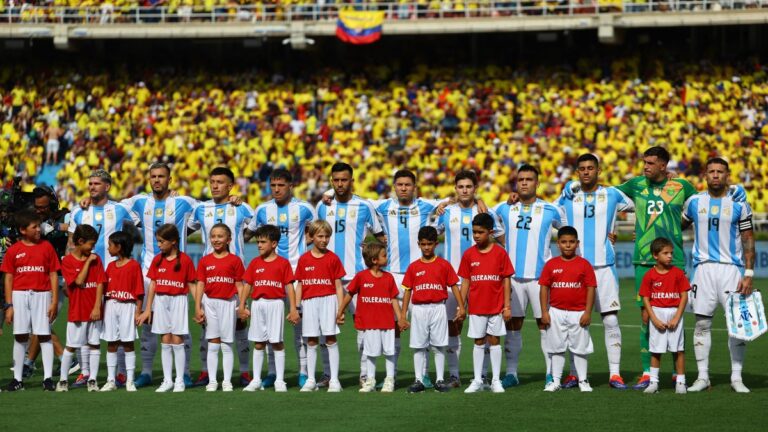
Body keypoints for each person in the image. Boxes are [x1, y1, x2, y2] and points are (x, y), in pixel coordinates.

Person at [555, 153, 634, 389]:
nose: (587, 171)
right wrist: (563, 190)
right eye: (582, 168)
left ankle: (615, 374)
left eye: (591, 168)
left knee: (610, 320)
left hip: (604, 267)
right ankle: (573, 374)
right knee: (576, 323)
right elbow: (549, 214)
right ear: (577, 172)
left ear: (598, 170)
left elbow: (642, 200)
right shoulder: (568, 197)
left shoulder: (612, 194)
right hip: (576, 269)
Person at [683, 158, 756, 393]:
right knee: (702, 323)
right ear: (705, 175)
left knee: (737, 325)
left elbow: (748, 239)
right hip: (703, 269)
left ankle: (736, 377)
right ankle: (703, 377)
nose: (715, 175)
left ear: (727, 175)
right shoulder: (694, 202)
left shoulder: (739, 205)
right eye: (711, 171)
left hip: (730, 270)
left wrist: (748, 273)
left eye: (720, 172)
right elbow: (676, 227)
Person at [248, 168, 320, 389]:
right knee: (269, 327)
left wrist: (303, 244)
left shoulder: (305, 208)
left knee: (301, 326)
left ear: (291, 185)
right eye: (273, 185)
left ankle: (303, 371)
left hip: (298, 273)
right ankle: (271, 372)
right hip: (272, 273)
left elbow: (316, 230)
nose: (276, 189)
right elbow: (251, 232)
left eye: (281, 185)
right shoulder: (262, 210)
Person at [371, 169, 444, 387]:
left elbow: (454, 198)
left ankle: (423, 375)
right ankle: (390, 376)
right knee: (392, 327)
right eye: (400, 184)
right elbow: (357, 200)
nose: (404, 188)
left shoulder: (424, 205)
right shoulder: (384, 206)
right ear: (394, 186)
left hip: (419, 275)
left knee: (425, 328)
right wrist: (328, 192)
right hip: (392, 275)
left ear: (414, 187)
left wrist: (477, 201)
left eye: (408, 185)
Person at [67, 169, 139, 387]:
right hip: (85, 276)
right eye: (90, 184)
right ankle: (85, 372)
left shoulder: (120, 209)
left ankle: (120, 373)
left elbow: (143, 218)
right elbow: (71, 242)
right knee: (84, 326)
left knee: (113, 328)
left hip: (112, 275)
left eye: (97, 184)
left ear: (107, 186)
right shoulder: (78, 211)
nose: (92, 187)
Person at [494, 164, 564, 387]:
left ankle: (551, 374)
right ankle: (512, 374)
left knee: (545, 325)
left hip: (540, 279)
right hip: (512, 279)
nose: (524, 182)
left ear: (537, 183)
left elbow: (568, 231)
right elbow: (484, 218)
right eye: (521, 179)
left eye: (529, 179)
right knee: (513, 326)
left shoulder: (550, 210)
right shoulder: (504, 208)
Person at [316, 162, 385, 386]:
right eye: (335, 180)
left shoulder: (364, 206)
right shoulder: (323, 206)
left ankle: (365, 373)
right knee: (325, 328)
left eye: (344, 180)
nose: (339, 184)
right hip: (327, 277)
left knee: (363, 325)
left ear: (351, 181)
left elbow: (382, 236)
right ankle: (327, 374)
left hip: (357, 275)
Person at [434, 170, 504, 388]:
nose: (465, 190)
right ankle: (454, 375)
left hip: (482, 280)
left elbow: (501, 238)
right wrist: (443, 203)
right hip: (453, 279)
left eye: (469, 186)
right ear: (456, 188)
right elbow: (431, 234)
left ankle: (482, 375)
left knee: (483, 329)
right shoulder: (446, 212)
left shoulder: (485, 211)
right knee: (454, 325)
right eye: (461, 186)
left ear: (475, 188)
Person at [189, 166, 255, 388]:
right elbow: (186, 229)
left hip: (237, 276)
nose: (215, 186)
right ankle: (206, 373)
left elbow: (257, 227)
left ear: (230, 186)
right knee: (207, 327)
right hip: (211, 276)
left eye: (220, 182)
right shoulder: (201, 208)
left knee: (240, 325)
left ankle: (245, 372)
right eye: (212, 181)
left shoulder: (242, 207)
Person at [2, 210, 61, 391]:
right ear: (23, 230)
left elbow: (53, 274)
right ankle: (17, 379)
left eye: (39, 226)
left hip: (42, 294)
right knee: (20, 336)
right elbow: (9, 278)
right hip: (19, 295)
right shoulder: (13, 250)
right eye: (34, 227)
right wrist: (9, 305)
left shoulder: (47, 247)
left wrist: (53, 301)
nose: (39, 230)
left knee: (44, 335)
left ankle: (48, 379)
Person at [336, 241, 407, 393]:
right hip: (370, 323)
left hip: (387, 323)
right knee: (370, 353)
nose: (386, 258)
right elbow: (350, 294)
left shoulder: (388, 278)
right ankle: (370, 380)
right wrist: (340, 310)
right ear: (375, 260)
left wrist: (401, 317)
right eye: (384, 255)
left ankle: (389, 380)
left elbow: (394, 299)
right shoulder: (361, 277)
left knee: (389, 351)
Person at [401, 226, 463, 393]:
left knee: (439, 345)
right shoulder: (413, 267)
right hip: (419, 309)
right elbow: (407, 290)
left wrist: (461, 306)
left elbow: (454, 286)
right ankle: (418, 380)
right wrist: (402, 314)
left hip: (438, 308)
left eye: (429, 244)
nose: (426, 247)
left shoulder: (444, 265)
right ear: (418, 244)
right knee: (418, 346)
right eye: (423, 244)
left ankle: (440, 379)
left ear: (436, 244)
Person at [137, 224, 197, 393]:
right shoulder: (157, 259)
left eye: (161, 241)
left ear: (173, 242)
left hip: (178, 300)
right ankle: (167, 380)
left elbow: (192, 284)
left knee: (177, 339)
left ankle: (179, 380)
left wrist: (199, 307)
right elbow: (153, 286)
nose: (159, 245)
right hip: (161, 302)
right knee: (165, 340)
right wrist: (148, 309)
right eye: (157, 241)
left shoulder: (185, 260)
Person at [458, 213, 514, 394]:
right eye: (473, 232)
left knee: (495, 341)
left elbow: (506, 280)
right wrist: (461, 305)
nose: (476, 236)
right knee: (478, 341)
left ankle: (496, 380)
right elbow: (466, 281)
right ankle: (477, 380)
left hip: (496, 307)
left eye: (480, 232)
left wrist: (507, 306)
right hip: (476, 307)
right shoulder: (468, 254)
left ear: (490, 232)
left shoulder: (500, 252)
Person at [240, 225, 300, 393]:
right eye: (257, 242)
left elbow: (290, 287)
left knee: (277, 342)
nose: (259, 245)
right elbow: (247, 285)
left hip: (276, 304)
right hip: (258, 304)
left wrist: (293, 309)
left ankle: (280, 380)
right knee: (258, 343)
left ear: (274, 244)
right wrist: (243, 305)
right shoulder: (254, 263)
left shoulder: (283, 263)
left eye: (263, 242)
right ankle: (257, 380)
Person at [539, 226, 597, 393]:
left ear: (577, 243)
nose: (568, 245)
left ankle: (583, 380)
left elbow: (591, 288)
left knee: (580, 348)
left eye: (572, 242)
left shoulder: (584, 265)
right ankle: (555, 381)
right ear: (558, 244)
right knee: (556, 347)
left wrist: (587, 312)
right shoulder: (551, 264)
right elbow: (544, 288)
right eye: (564, 242)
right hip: (556, 312)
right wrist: (544, 312)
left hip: (578, 313)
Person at [23, 186, 71, 381]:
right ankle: (28, 363)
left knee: (41, 322)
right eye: (37, 207)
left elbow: (73, 232)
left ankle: (65, 359)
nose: (40, 210)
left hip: (59, 276)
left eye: (43, 207)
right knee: (38, 323)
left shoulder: (65, 215)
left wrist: (56, 227)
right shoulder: (33, 220)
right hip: (39, 275)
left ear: (51, 203)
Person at [194, 224, 246, 392]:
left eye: (220, 236)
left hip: (229, 303)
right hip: (210, 303)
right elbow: (200, 284)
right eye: (213, 236)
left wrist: (243, 306)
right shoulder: (204, 261)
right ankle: (212, 381)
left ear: (228, 240)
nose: (216, 240)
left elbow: (240, 285)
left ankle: (227, 381)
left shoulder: (235, 260)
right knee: (213, 342)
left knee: (227, 343)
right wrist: (197, 306)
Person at [294, 220, 345, 392]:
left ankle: (335, 380)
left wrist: (340, 309)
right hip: (309, 302)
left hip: (329, 300)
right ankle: (310, 379)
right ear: (311, 237)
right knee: (311, 340)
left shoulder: (333, 258)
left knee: (330, 338)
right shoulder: (304, 259)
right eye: (320, 236)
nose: (324, 240)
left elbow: (338, 286)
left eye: (327, 236)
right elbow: (300, 285)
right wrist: (296, 307)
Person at [57, 224, 106, 393]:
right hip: (77, 311)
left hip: (94, 311)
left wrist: (97, 306)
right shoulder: (68, 261)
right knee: (71, 346)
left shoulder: (96, 259)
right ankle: (63, 381)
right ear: (80, 241)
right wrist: (87, 263)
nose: (93, 248)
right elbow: (78, 282)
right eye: (91, 244)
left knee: (94, 345)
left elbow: (100, 282)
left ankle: (92, 380)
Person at [639, 237, 690, 394]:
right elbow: (645, 298)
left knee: (678, 349)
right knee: (656, 350)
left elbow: (684, 296)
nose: (669, 256)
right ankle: (654, 382)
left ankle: (680, 382)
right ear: (655, 255)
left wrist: (677, 317)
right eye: (665, 253)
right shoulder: (649, 275)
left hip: (674, 312)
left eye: (671, 253)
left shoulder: (678, 273)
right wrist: (654, 318)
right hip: (657, 313)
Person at [100, 231, 144, 392]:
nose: (108, 248)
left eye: (110, 245)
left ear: (119, 247)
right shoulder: (110, 266)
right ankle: (111, 380)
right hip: (111, 306)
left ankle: (130, 380)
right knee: (111, 342)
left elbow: (139, 292)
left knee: (128, 343)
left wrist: (138, 312)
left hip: (128, 306)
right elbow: (103, 289)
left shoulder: (134, 266)